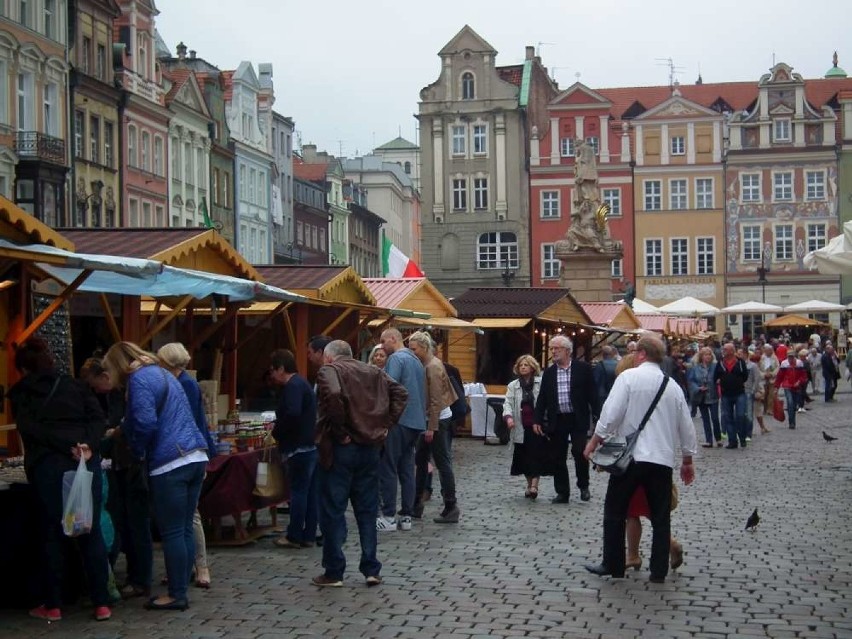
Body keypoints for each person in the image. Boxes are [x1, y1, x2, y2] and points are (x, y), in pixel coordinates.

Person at [9, 338, 113, 622]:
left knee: (52, 534)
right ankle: (101, 603)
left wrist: (61, 444)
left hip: (48, 469)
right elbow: (97, 419)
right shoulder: (77, 387)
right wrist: (85, 445)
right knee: (88, 531)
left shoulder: (23, 393)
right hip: (83, 463)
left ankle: (53, 605)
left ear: (23, 369)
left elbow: (30, 430)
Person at [103, 342, 209, 611]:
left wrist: (137, 449)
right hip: (194, 455)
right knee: (184, 527)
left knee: (173, 530)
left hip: (170, 460)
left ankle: (176, 594)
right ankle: (180, 586)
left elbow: (146, 422)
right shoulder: (162, 373)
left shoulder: (139, 379)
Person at [583, 335, 697, 584]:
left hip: (631, 459)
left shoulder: (628, 378)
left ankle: (612, 564)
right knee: (660, 517)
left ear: (642, 354)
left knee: (615, 511)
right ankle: (658, 571)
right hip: (661, 459)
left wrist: (594, 440)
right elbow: (686, 426)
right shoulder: (672, 385)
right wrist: (687, 458)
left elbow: (611, 413)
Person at [312, 340, 408, 587]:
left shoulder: (330, 371)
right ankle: (371, 568)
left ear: (329, 357)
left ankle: (334, 571)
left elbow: (333, 394)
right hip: (370, 446)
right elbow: (400, 392)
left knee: (333, 510)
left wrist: (339, 429)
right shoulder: (374, 371)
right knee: (366, 511)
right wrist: (385, 425)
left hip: (342, 448)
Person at [157, 343, 218, 589]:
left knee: (190, 514)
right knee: (186, 515)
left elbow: (187, 421)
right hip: (190, 451)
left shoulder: (184, 384)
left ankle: (199, 565)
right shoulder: (181, 382)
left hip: (187, 452)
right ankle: (183, 567)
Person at [533, 335, 598, 504]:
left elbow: (593, 394)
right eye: (552, 348)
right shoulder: (549, 372)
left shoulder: (582, 369)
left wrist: (599, 416)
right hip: (558, 418)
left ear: (567, 351)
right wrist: (537, 419)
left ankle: (583, 485)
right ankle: (562, 492)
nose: (553, 351)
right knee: (557, 456)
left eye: (557, 348)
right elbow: (542, 398)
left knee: (579, 451)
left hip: (577, 417)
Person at [268, 348, 319, 550]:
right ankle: (308, 534)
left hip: (298, 447)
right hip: (309, 445)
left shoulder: (293, 386)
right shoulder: (302, 383)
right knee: (310, 492)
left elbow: (292, 413)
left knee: (298, 492)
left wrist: (277, 432)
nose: (271, 375)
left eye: (273, 370)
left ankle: (295, 534)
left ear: (281, 368)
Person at [377, 328, 426, 532]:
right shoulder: (416, 361)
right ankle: (406, 516)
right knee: (406, 469)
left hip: (399, 420)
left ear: (393, 339)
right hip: (416, 422)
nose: (381, 346)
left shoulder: (397, 359)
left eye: (383, 341)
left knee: (388, 466)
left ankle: (388, 516)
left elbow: (389, 387)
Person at [408, 332, 460, 523]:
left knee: (442, 462)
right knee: (421, 460)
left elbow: (436, 400)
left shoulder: (433, 366)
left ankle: (450, 505)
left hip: (437, 420)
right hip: (430, 420)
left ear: (424, 347)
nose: (411, 352)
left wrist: (431, 427)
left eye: (414, 349)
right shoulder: (427, 364)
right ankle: (416, 503)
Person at [503, 355, 547, 499]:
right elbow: (507, 403)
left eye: (526, 365)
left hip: (537, 425)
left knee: (536, 456)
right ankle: (529, 485)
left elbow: (546, 402)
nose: (523, 367)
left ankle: (534, 485)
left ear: (533, 367)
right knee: (524, 458)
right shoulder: (513, 385)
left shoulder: (541, 383)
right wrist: (508, 418)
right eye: (521, 365)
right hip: (520, 426)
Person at [714, 342, 749, 449]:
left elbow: (745, 376)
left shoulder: (740, 362)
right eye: (723, 349)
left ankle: (742, 437)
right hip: (726, 394)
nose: (723, 351)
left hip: (739, 393)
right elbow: (715, 377)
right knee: (728, 418)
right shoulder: (720, 363)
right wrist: (719, 382)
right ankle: (732, 441)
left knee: (741, 415)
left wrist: (737, 382)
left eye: (726, 349)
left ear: (732, 351)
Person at [687, 347, 721, 448]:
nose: (708, 356)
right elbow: (691, 381)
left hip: (713, 395)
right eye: (706, 354)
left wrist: (719, 381)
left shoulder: (715, 366)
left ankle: (718, 438)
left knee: (715, 418)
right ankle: (709, 440)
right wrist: (698, 388)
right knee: (705, 419)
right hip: (701, 396)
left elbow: (720, 376)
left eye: (709, 354)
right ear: (701, 356)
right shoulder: (695, 367)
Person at [775, 351, 807, 428]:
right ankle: (791, 423)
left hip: (796, 387)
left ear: (794, 357)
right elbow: (780, 376)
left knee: (794, 405)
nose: (790, 359)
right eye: (789, 357)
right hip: (787, 386)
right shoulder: (784, 364)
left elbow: (803, 376)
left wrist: (799, 382)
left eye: (792, 357)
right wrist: (777, 387)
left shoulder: (799, 363)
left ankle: (792, 420)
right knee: (790, 402)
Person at [740, 347, 761, 441]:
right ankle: (741, 432)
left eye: (741, 354)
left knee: (748, 413)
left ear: (745, 354)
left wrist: (753, 391)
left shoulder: (752, 366)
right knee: (741, 413)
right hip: (739, 391)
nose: (739, 356)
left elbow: (756, 379)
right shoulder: (738, 365)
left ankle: (748, 433)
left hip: (748, 391)